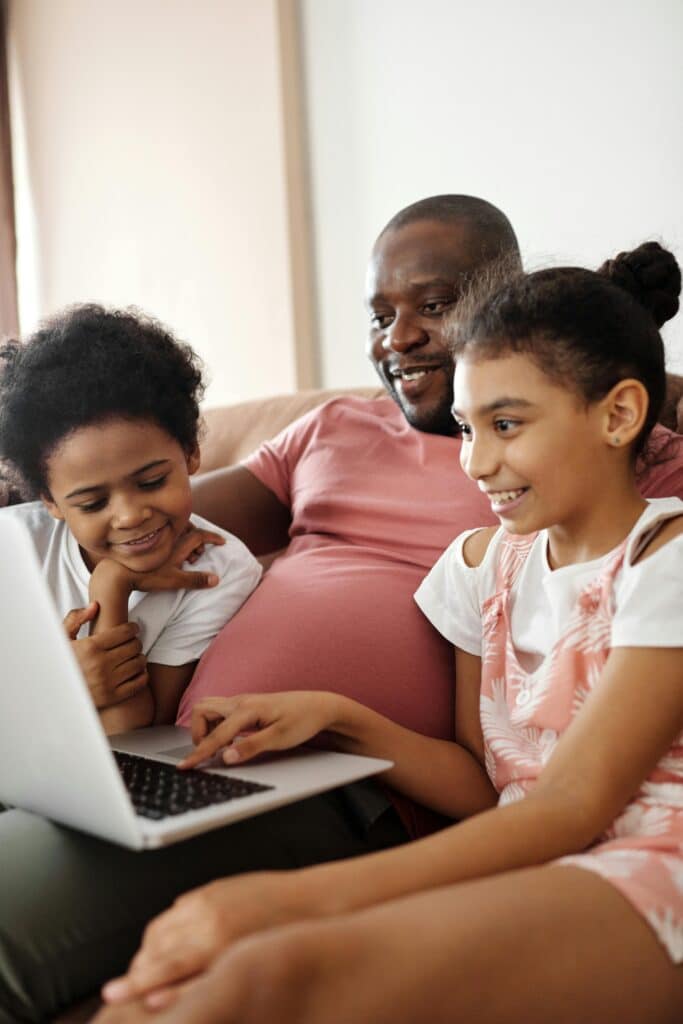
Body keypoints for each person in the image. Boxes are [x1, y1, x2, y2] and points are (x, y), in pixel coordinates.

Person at [0, 197, 681, 1023]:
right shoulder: (424, 512)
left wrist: (289, 896)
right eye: (379, 314)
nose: (397, 337)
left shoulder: (624, 489)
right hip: (224, 754)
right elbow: (135, 511)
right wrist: (333, 714)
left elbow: (568, 797)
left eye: (433, 306)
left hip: (369, 806)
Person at [0, 305, 262, 734]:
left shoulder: (219, 571)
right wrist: (55, 686)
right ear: (50, 500)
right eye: (91, 503)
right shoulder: (14, 548)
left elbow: (133, 736)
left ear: (191, 452)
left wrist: (112, 584)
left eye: (152, 481)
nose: (129, 516)